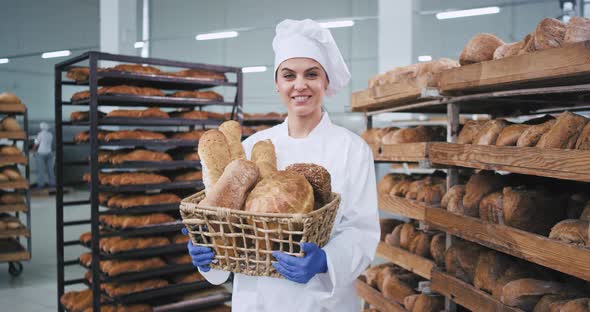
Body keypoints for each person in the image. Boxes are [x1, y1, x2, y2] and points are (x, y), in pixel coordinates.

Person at [185, 19, 379, 311]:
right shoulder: (252, 148)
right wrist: (208, 246)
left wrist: (326, 261)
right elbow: (228, 222)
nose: (300, 85)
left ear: (326, 82)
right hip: (257, 299)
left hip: (320, 301)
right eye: (289, 76)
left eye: (311, 74)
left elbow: (362, 231)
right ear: (277, 84)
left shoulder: (352, 149)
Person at [33, 122, 55, 188]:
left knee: (41, 170)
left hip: (41, 153)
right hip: (49, 153)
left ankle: (40, 185)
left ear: (41, 128)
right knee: (50, 170)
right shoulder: (51, 134)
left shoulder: (40, 134)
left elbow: (36, 144)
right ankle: (52, 184)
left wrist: (33, 150)